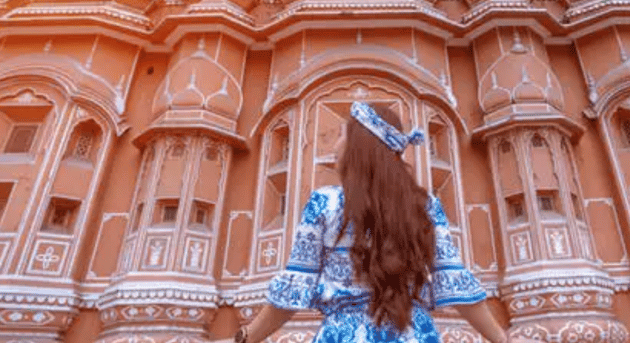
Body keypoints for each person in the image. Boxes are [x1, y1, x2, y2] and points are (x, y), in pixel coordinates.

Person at [216, 102, 533, 343]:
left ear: (358, 149)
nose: (334, 146)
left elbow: (291, 293)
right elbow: (456, 285)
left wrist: (244, 338)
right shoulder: (425, 206)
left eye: (341, 136)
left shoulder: (324, 204)